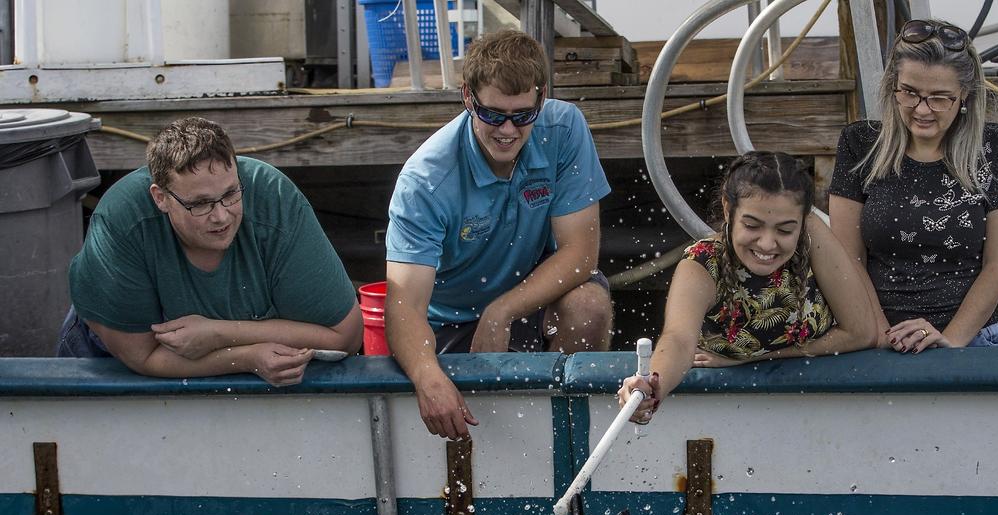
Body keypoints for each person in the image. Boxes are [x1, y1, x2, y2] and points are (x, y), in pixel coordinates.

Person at [385, 30, 613, 440]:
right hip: (451, 323)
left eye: (523, 115)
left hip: (526, 297)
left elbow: (581, 254)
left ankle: (570, 438)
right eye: (493, 115)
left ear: (541, 99)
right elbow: (404, 307)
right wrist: (427, 377)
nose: (507, 130)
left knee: (589, 305)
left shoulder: (564, 127)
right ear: (468, 98)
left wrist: (501, 311)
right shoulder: (424, 181)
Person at [59, 117, 362, 386]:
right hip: (109, 356)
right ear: (161, 198)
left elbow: (345, 337)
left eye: (230, 194)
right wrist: (245, 358)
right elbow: (143, 357)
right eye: (200, 204)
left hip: (237, 354)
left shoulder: (275, 201)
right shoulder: (121, 220)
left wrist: (219, 334)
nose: (221, 216)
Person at [617, 151, 878, 423]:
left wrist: (753, 359)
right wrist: (651, 387)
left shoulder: (813, 233)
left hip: (822, 410)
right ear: (728, 210)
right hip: (727, 417)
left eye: (785, 230)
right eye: (752, 225)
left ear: (802, 221)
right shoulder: (702, 264)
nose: (767, 244)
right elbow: (679, 341)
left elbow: (861, 332)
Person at [828, 18, 998, 353]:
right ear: (893, 85)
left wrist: (951, 339)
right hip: (877, 339)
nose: (922, 109)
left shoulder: (995, 145)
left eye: (939, 98)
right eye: (910, 93)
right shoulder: (859, 143)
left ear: (963, 93)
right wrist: (884, 336)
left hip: (971, 340)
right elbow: (848, 258)